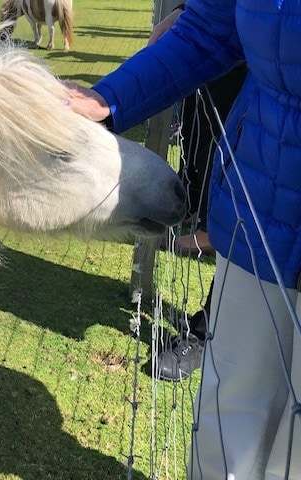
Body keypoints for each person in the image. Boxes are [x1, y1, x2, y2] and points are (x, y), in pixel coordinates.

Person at [64, 1, 301, 479]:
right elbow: (211, 26)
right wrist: (108, 98)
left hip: (257, 207)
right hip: (256, 211)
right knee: (226, 419)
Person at [148, 5, 248, 381]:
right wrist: (189, 10)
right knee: (209, 138)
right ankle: (201, 218)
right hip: (239, 45)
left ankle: (210, 330)